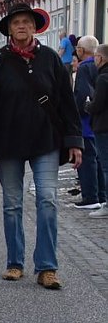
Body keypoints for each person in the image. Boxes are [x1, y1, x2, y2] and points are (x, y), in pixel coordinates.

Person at [0, 3, 83, 289]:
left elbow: (67, 102)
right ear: (9, 29)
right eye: (16, 22)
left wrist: (74, 141)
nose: (21, 26)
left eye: (26, 22)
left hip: (45, 140)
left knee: (47, 199)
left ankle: (47, 267)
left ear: (35, 27)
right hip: (7, 141)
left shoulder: (50, 59)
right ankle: (15, 263)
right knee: (12, 203)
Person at [71, 35, 105, 210]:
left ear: (81, 50)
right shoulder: (101, 67)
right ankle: (101, 195)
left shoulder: (84, 67)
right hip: (98, 120)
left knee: (87, 159)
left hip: (85, 121)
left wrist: (75, 112)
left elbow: (82, 93)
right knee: (99, 160)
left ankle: (90, 197)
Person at [84, 43, 108, 217]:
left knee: (106, 167)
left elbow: (97, 104)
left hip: (103, 126)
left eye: (96, 57)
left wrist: (87, 105)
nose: (94, 60)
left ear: (101, 58)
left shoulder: (102, 78)